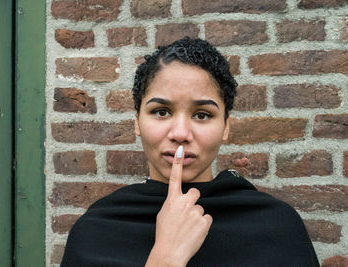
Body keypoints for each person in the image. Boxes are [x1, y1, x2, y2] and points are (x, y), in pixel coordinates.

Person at [60, 37, 319, 266]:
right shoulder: (96, 232)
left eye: (202, 115)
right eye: (161, 112)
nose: (181, 133)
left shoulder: (276, 228)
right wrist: (167, 255)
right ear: (137, 122)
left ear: (225, 127)